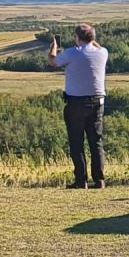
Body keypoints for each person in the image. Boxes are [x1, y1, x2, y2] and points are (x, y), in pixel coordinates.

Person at [49, 23, 110, 188]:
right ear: (93, 38)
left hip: (76, 102)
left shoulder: (71, 53)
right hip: (98, 101)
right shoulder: (103, 53)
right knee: (96, 142)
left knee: (77, 142)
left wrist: (53, 48)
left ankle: (80, 180)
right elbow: (98, 46)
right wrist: (92, 39)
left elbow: (53, 62)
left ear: (77, 38)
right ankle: (99, 179)